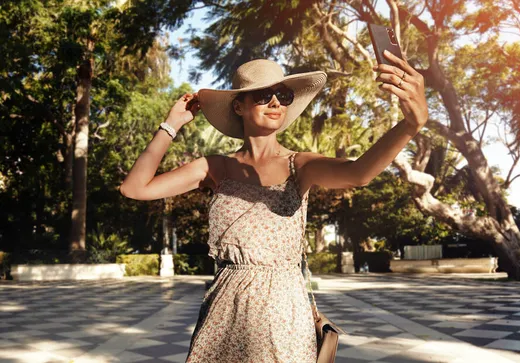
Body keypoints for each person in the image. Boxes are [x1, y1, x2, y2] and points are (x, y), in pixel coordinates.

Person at [119, 50, 428, 362]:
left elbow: (358, 174)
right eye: (263, 95)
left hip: (285, 313)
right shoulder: (214, 167)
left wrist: (410, 125)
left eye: (282, 94)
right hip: (224, 313)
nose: (276, 102)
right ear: (238, 105)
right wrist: (171, 124)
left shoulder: (300, 165)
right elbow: (134, 188)